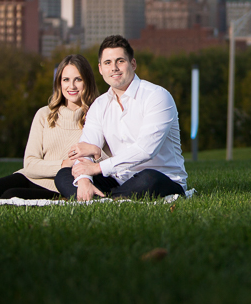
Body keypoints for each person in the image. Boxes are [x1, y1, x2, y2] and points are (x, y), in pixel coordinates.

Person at [54, 35, 187, 201]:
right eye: (107, 63)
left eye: (120, 61)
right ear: (101, 69)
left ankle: (100, 200)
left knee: (148, 179)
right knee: (63, 175)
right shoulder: (100, 104)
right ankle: (105, 196)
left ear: (133, 64)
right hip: (118, 179)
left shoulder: (157, 96)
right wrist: (84, 179)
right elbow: (86, 148)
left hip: (161, 178)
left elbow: (145, 150)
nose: (114, 68)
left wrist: (97, 168)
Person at [0, 54, 99, 200]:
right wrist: (63, 164)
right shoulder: (44, 114)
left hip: (60, 186)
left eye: (78, 79)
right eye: (66, 79)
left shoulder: (96, 117)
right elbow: (29, 163)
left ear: (87, 82)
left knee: (11, 197)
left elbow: (102, 160)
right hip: (32, 178)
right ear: (59, 83)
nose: (71, 86)